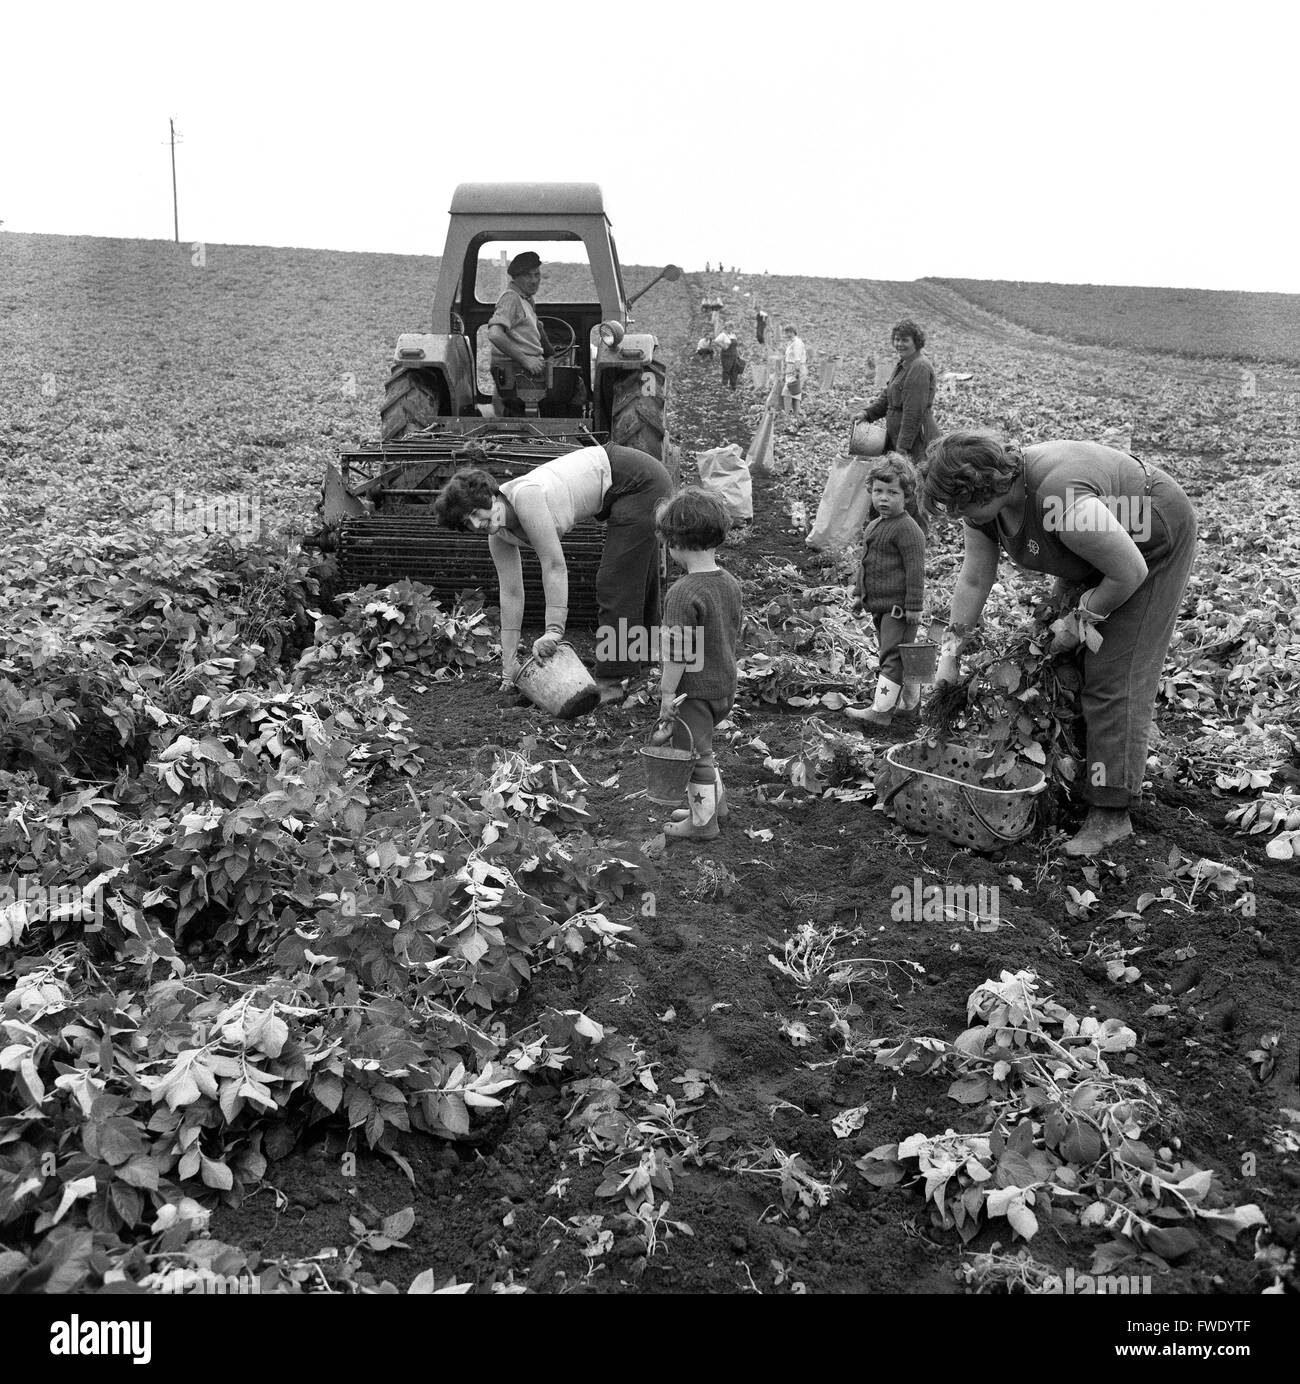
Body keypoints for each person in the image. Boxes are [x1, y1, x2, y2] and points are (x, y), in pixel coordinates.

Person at [923, 431, 1198, 857]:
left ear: (988, 485)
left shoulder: (1062, 503)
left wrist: (1083, 615)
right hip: (1097, 546)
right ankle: (1075, 778)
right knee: (1057, 660)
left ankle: (1111, 815)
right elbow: (975, 577)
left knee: (1113, 672)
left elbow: (1127, 571)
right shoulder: (982, 509)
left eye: (961, 504)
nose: (959, 514)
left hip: (1150, 539)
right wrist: (950, 654)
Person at [434, 443, 673, 702]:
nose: (476, 524)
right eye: (467, 524)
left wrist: (554, 631)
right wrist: (508, 667)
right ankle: (649, 665)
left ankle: (612, 682)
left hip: (639, 480)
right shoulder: (498, 534)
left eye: (474, 514)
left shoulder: (525, 497)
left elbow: (554, 565)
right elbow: (511, 593)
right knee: (638, 577)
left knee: (615, 582)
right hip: (623, 488)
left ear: (489, 496)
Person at [652, 489, 744, 840]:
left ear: (674, 542)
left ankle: (703, 823)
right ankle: (712, 804)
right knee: (704, 747)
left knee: (693, 755)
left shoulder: (683, 592)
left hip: (695, 692)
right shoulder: (729, 583)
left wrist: (667, 693)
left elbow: (677, 652)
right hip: (723, 685)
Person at [847, 455, 927, 727]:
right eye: (878, 491)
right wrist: (860, 594)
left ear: (907, 496)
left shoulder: (908, 530)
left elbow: (916, 571)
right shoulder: (875, 525)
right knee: (899, 655)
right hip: (880, 607)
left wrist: (914, 606)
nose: (883, 498)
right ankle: (909, 705)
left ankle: (881, 711)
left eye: (892, 492)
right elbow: (866, 563)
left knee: (891, 657)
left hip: (900, 609)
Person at [852, 319, 940, 467]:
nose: (899, 344)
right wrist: (867, 414)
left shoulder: (919, 367)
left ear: (916, 342)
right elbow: (888, 396)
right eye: (896, 339)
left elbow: (913, 411)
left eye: (905, 340)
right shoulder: (904, 364)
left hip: (916, 440)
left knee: (914, 479)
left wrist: (903, 447)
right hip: (898, 436)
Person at [487, 251, 555, 417]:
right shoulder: (511, 298)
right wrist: (526, 360)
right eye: (527, 276)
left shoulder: (526, 300)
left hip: (527, 372)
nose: (534, 280)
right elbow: (495, 334)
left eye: (537, 275)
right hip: (520, 373)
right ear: (515, 278)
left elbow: (537, 328)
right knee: (572, 391)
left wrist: (551, 355)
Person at [782, 324, 807, 419]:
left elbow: (797, 359)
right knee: (795, 393)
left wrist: (797, 372)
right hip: (791, 368)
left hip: (796, 368)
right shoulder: (791, 343)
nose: (787, 335)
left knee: (787, 392)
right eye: (786, 333)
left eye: (789, 332)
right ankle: (795, 416)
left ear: (793, 332)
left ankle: (787, 416)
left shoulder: (797, 343)